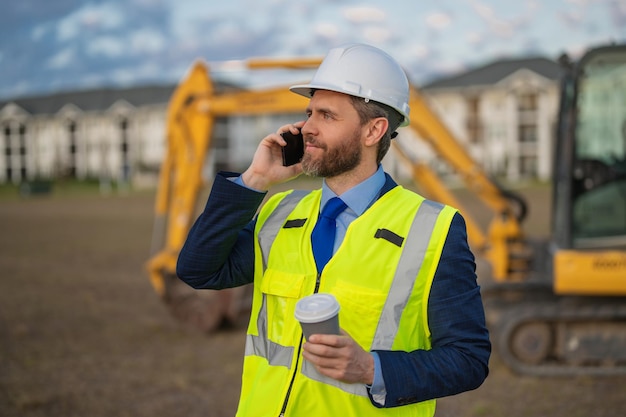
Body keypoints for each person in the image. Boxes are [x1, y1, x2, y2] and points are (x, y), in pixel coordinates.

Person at [177, 43, 490, 416]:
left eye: (326, 115)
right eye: (309, 113)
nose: (306, 127)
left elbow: (468, 359)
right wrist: (255, 179)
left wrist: (371, 368)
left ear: (374, 130)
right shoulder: (279, 212)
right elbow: (198, 269)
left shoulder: (433, 229)